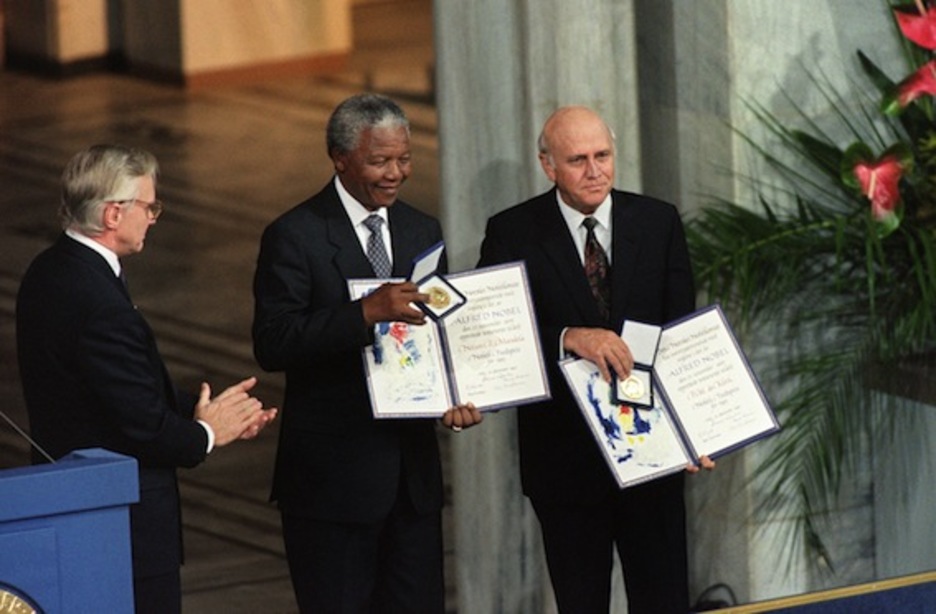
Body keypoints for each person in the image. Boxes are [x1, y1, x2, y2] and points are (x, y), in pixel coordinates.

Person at [15, 144, 278, 614]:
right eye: (149, 206)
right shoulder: (100, 303)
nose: (154, 217)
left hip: (73, 506)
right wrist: (209, 432)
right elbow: (143, 428)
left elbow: (108, 387)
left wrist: (198, 406)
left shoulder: (50, 269)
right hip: (121, 525)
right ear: (114, 214)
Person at [252, 93, 482, 613]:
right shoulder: (295, 236)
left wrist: (457, 391)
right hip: (332, 487)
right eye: (379, 161)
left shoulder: (422, 229)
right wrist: (362, 314)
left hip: (412, 486)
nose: (395, 173)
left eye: (404, 158)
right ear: (340, 158)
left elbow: (434, 333)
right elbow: (273, 341)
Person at [478, 106, 713, 613]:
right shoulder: (512, 232)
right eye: (578, 159)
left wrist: (696, 428)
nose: (595, 171)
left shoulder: (657, 221)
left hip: (653, 459)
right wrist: (567, 336)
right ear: (548, 166)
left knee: (664, 600)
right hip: (565, 465)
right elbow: (493, 337)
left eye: (603, 155)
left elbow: (680, 333)